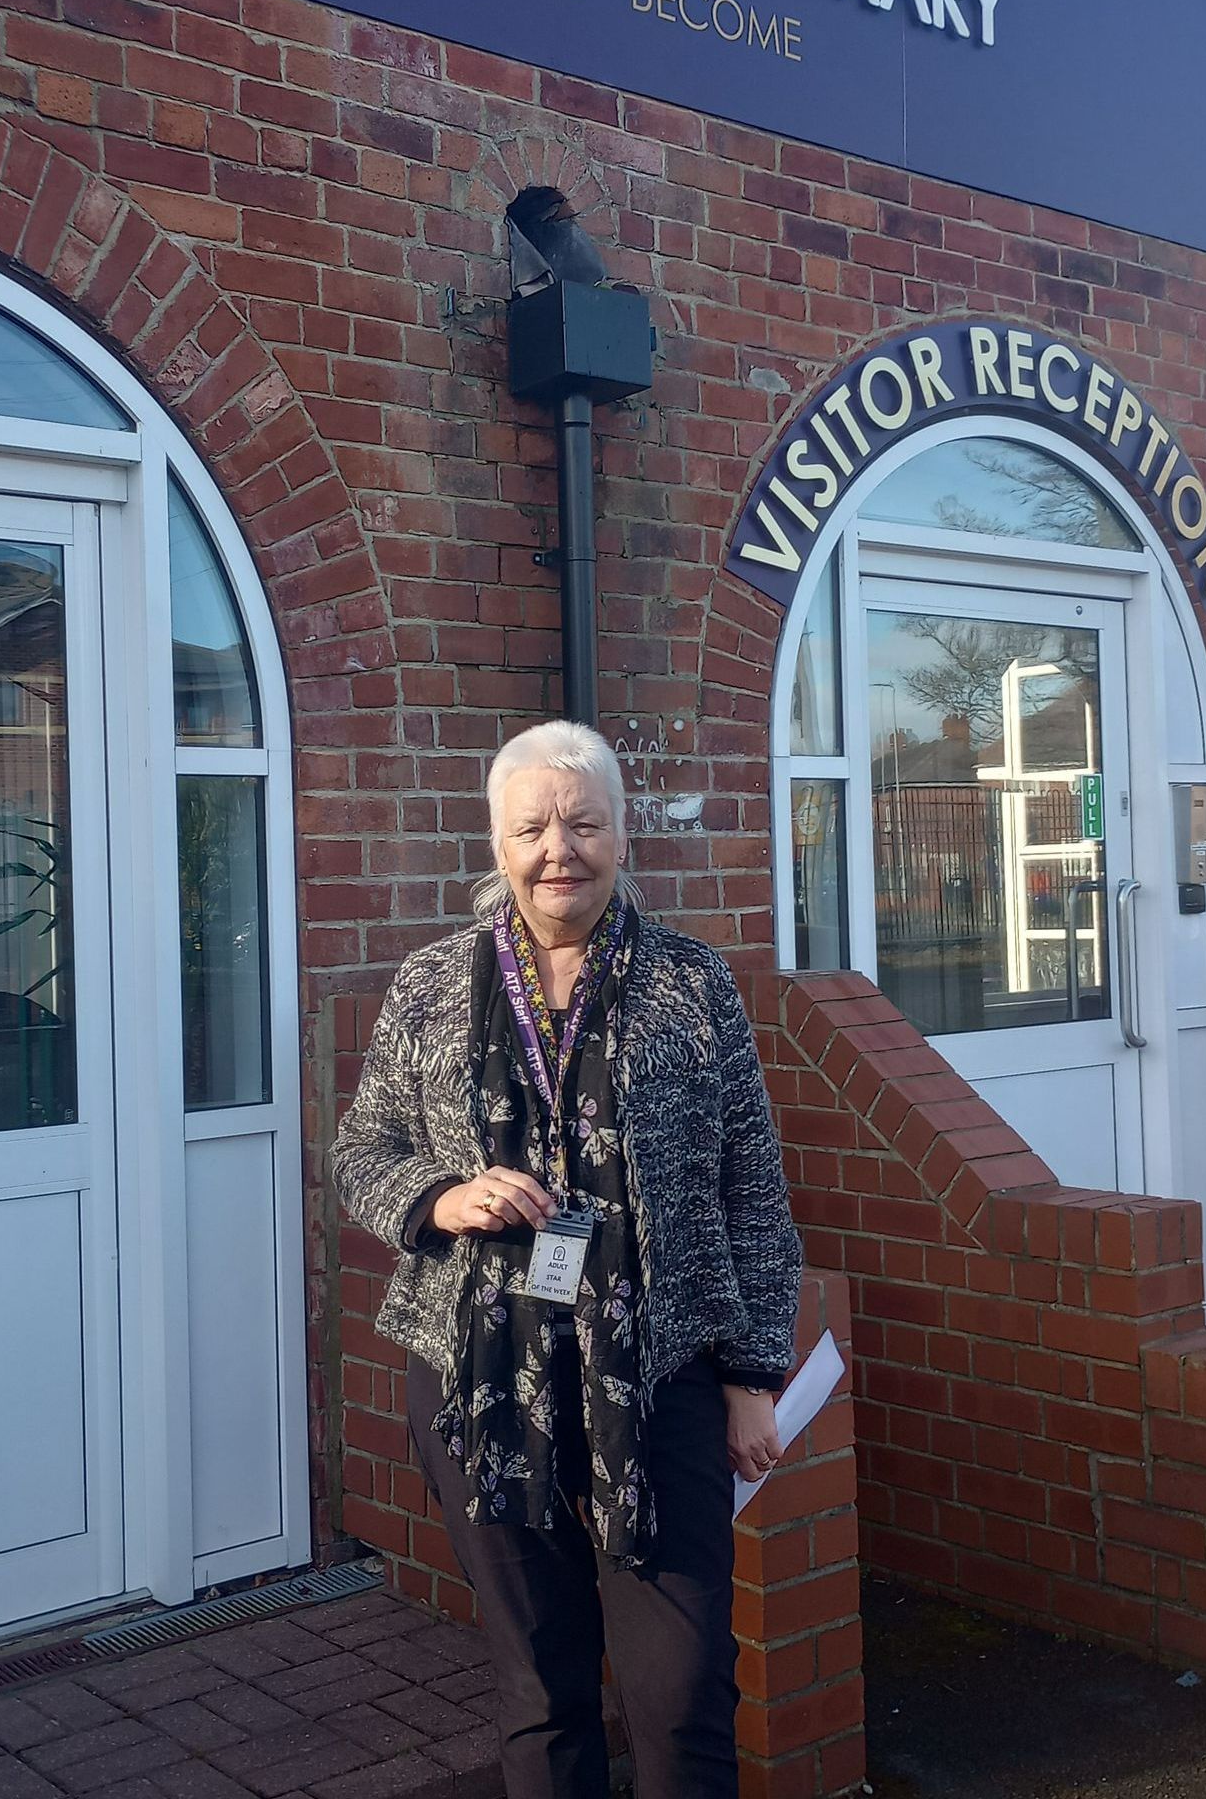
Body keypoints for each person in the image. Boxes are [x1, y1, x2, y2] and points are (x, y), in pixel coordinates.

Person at [331, 720, 803, 1799]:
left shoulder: (691, 983)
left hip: (662, 1376)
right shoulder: (430, 984)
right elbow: (362, 1150)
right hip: (481, 1381)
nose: (559, 850)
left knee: (682, 1692)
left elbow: (753, 1190)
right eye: (532, 828)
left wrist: (751, 1376)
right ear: (497, 843)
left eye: (584, 824)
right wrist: (442, 1198)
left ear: (622, 834)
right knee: (541, 1694)